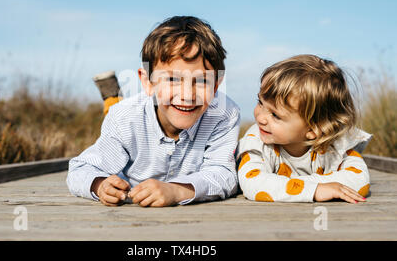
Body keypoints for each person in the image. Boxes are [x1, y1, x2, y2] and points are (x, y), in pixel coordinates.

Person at [67, 16, 241, 207]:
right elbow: (81, 168)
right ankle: (112, 98)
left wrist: (177, 191)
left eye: (201, 81)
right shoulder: (125, 118)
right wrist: (100, 186)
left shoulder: (224, 114)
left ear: (216, 86)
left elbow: (223, 173)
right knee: (117, 112)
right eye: (173, 80)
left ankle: (112, 96)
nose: (187, 95)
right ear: (148, 83)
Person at [237, 54, 372, 203]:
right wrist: (315, 189)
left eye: (275, 115)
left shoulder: (334, 145)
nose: (260, 117)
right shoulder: (257, 139)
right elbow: (252, 182)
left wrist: (290, 185)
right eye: (260, 102)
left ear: (314, 129)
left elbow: (360, 180)